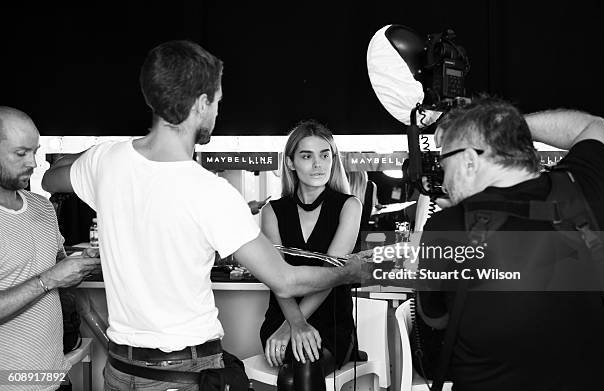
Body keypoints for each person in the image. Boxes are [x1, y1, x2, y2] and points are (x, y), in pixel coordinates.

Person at [41, 41, 368, 391]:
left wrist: (96, 155)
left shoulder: (105, 161)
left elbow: (51, 176)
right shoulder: (210, 192)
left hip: (120, 368)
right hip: (185, 371)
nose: (217, 111)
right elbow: (284, 280)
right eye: (217, 101)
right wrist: (351, 270)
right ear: (201, 104)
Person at [416, 97, 604, 390]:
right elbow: (594, 125)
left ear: (469, 161)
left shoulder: (446, 229)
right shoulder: (586, 184)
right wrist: (502, 124)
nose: (444, 181)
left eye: (445, 164)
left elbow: (434, 325)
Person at [0, 107, 101, 391]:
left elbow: (58, 268)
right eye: (21, 153)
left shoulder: (42, 207)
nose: (33, 162)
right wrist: (48, 280)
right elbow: (49, 278)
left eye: (35, 151)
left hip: (53, 376)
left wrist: (82, 263)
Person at [259, 120, 362, 390]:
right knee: (298, 368)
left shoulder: (349, 206)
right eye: (307, 156)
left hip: (333, 323)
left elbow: (331, 276)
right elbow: (276, 276)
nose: (318, 164)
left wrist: (293, 326)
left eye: (325, 155)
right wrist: (290, 324)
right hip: (280, 316)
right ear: (291, 163)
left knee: (296, 372)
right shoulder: (272, 212)